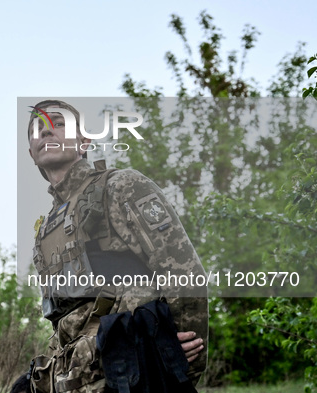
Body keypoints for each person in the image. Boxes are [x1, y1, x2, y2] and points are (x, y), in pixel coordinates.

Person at [26, 100, 208, 393]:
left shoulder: (120, 186)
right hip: (79, 377)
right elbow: (61, 317)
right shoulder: (45, 228)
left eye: (59, 124)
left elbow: (183, 269)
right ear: (31, 153)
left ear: (84, 141)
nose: (47, 132)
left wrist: (180, 363)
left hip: (134, 370)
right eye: (38, 129)